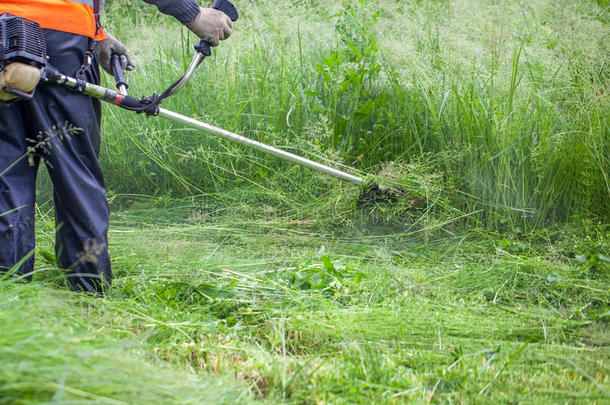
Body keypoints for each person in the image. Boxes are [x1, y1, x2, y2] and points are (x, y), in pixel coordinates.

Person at [0, 0, 233, 294]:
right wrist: (194, 14)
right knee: (75, 176)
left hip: (6, 32)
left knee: (5, 172)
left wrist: (97, 34)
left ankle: (8, 296)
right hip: (60, 34)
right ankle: (88, 292)